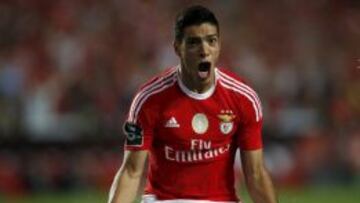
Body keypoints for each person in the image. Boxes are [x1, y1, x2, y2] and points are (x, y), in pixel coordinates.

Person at [108, 5, 278, 203]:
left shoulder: (244, 98)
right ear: (177, 48)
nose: (204, 50)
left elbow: (256, 174)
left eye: (211, 41)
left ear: (219, 46)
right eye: (194, 43)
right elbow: (131, 172)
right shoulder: (148, 100)